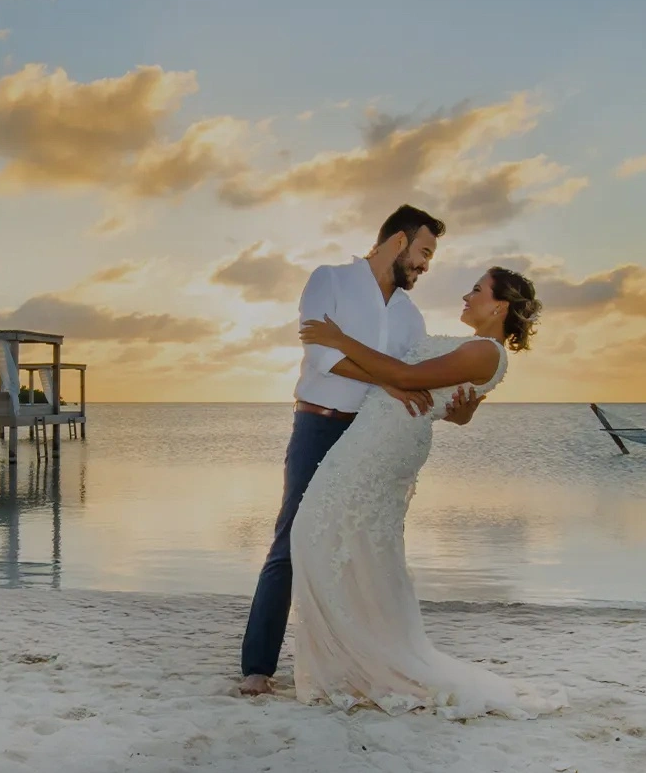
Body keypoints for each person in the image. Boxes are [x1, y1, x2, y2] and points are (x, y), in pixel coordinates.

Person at [289, 267, 568, 720]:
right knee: (344, 546)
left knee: (316, 535)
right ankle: (351, 660)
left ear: (499, 306)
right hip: (379, 435)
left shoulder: (485, 352)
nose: (466, 294)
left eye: (476, 290)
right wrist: (454, 406)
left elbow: (406, 374)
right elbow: (453, 411)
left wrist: (338, 339)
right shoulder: (474, 349)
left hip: (385, 446)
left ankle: (368, 659)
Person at [238, 204, 484, 697]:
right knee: (292, 539)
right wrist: (391, 382)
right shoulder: (329, 279)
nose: (425, 265)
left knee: (356, 552)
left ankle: (355, 664)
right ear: (397, 241)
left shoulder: (410, 315)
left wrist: (451, 399)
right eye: (423, 252)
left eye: (430, 256)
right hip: (318, 425)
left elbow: (412, 375)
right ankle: (257, 667)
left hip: (371, 438)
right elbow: (324, 357)